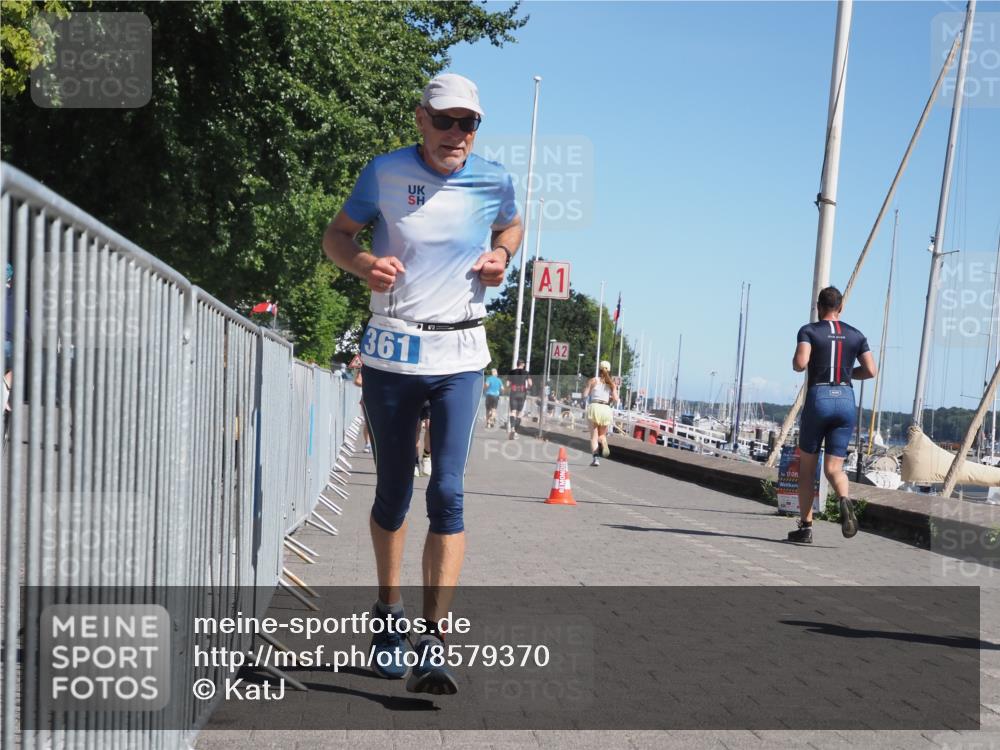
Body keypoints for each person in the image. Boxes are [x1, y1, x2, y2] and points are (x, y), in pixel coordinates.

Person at [322, 72, 522, 695]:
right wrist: (362, 263)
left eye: (469, 124)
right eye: (445, 121)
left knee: (450, 493)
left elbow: (511, 226)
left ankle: (433, 641)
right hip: (392, 351)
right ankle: (387, 613)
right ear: (420, 119)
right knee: (392, 492)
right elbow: (336, 236)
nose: (457, 134)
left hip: (461, 351)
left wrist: (503, 257)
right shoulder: (382, 172)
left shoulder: (494, 179)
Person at [787, 286, 877, 544]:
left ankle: (805, 528)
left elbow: (801, 363)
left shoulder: (809, 331)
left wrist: (796, 361)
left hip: (819, 397)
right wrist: (848, 374)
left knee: (807, 469)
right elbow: (871, 370)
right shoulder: (857, 335)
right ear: (841, 307)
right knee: (834, 468)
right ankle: (844, 499)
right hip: (846, 399)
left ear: (818, 306)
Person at [582, 360, 619, 466]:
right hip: (606, 409)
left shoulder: (593, 380)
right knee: (601, 435)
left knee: (594, 437)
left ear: (599, 369)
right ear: (609, 371)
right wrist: (610, 398)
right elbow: (616, 399)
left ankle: (596, 458)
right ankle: (604, 442)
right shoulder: (612, 383)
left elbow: (585, 395)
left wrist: (587, 391)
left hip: (594, 407)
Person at [506, 359, 531, 440]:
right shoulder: (526, 373)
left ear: (517, 364)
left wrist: (511, 386)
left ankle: (512, 429)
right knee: (519, 414)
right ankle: (515, 432)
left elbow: (507, 384)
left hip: (514, 392)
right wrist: (527, 388)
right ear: (522, 364)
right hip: (522, 393)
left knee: (512, 412)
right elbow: (530, 383)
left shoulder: (511, 372)